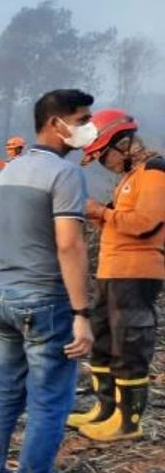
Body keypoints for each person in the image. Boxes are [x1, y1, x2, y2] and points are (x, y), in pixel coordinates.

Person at [0, 89, 96, 473]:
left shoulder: (8, 175)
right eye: (82, 118)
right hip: (44, 301)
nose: (87, 126)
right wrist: (82, 311)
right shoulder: (64, 176)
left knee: (6, 389)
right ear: (55, 122)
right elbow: (69, 244)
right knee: (49, 399)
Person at [67, 109, 165, 441]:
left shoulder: (154, 174)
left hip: (136, 274)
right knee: (104, 341)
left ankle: (128, 422)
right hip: (112, 272)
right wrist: (96, 214)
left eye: (102, 155)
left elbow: (143, 224)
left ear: (122, 143)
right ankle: (105, 410)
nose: (102, 163)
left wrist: (100, 211)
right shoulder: (131, 177)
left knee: (129, 343)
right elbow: (118, 222)